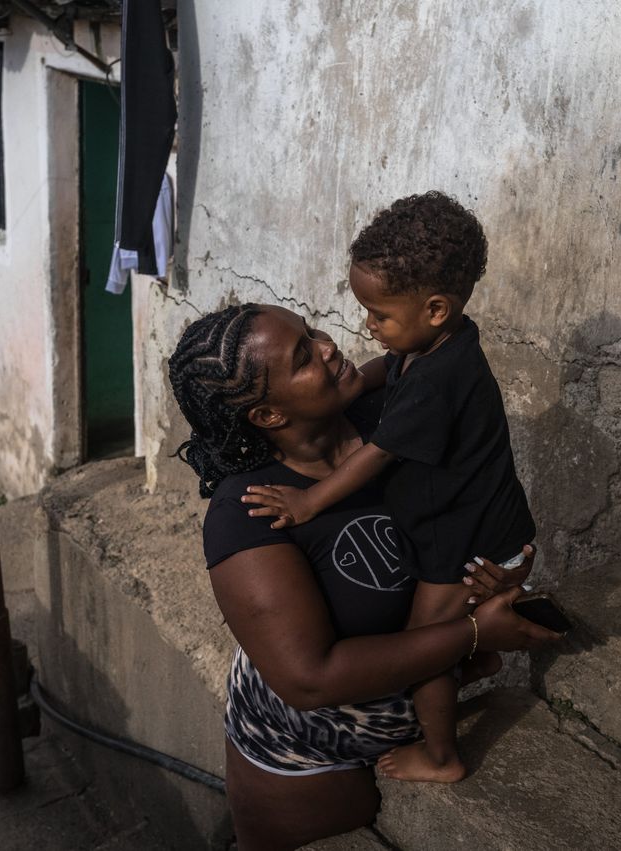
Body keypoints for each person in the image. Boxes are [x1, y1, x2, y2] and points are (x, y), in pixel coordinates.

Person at [169, 302, 559, 850]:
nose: (329, 345)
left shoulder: (393, 420)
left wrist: (490, 581)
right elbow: (310, 679)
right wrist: (474, 635)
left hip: (420, 715)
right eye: (304, 356)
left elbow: (466, 518)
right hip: (305, 761)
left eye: (312, 332)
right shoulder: (250, 512)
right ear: (268, 416)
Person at [242, 192, 537, 784]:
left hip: (468, 545)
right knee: (435, 637)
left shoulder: (439, 380)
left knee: (426, 649)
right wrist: (353, 385)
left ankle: (441, 756)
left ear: (434, 308)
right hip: (465, 529)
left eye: (378, 316)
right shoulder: (439, 342)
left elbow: (374, 457)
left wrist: (307, 503)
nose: (365, 327)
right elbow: (388, 370)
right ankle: (479, 658)